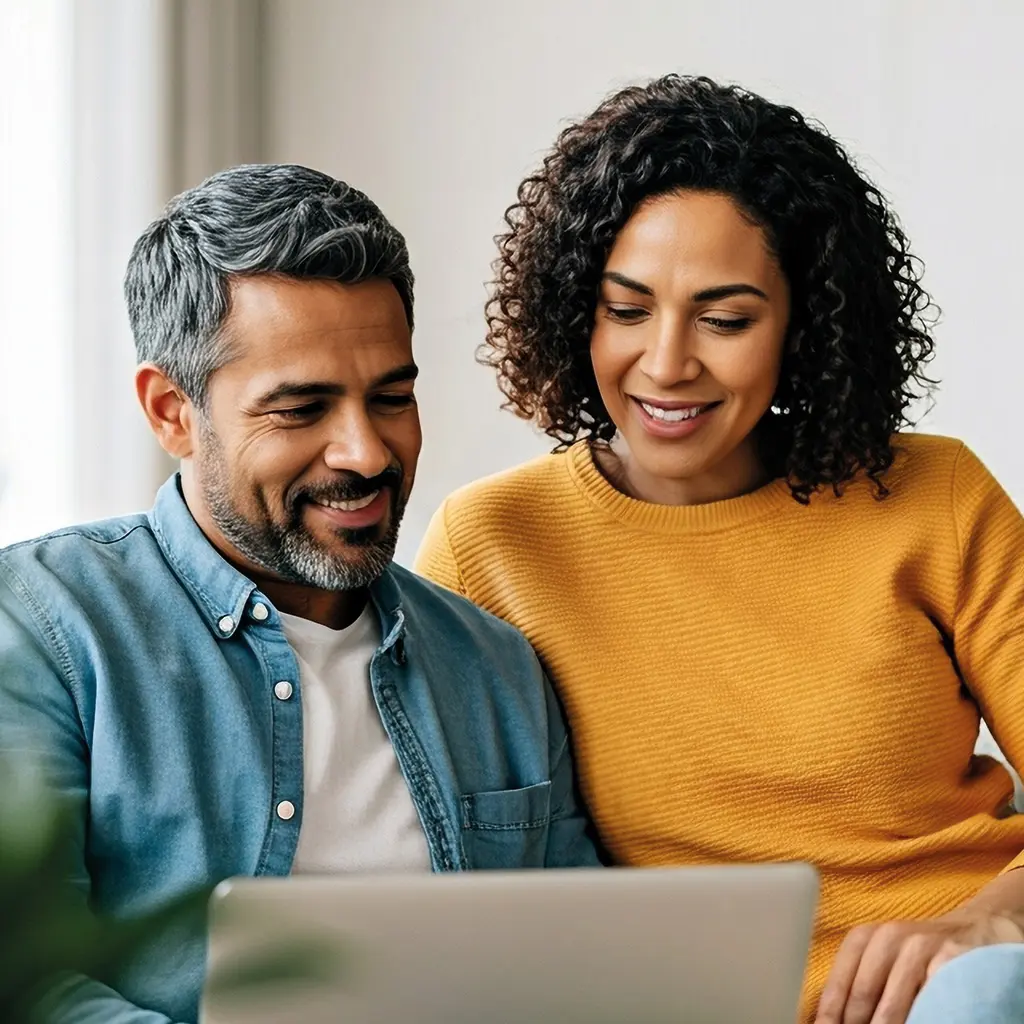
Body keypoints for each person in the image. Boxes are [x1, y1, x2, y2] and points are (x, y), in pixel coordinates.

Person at [415, 75, 1024, 1024]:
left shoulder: (936, 498)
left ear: (805, 326)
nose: (665, 364)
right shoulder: (494, 541)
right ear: (575, 311)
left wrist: (987, 926)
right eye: (626, 310)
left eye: (726, 318)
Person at [0, 164, 600, 1024]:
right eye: (301, 409)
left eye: (391, 396)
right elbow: (27, 981)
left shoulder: (497, 667)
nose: (364, 452)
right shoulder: (45, 629)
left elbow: (584, 962)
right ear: (172, 410)